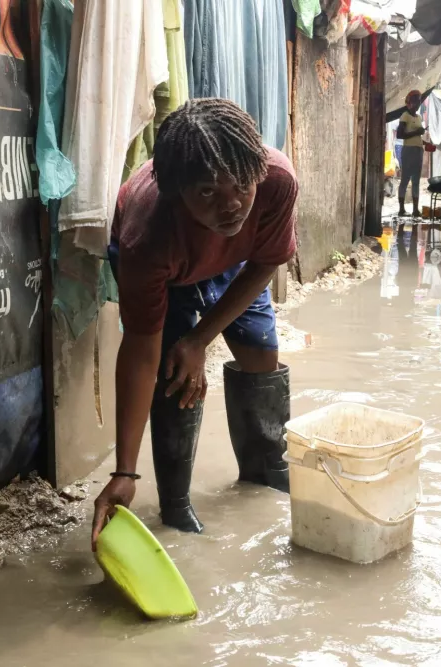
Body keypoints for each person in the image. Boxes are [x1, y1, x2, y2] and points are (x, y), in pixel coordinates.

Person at [90, 98, 299, 548]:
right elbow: (140, 352)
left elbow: (266, 263)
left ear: (256, 170)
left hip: (234, 261)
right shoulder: (148, 234)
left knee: (262, 354)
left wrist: (201, 338)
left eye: (242, 184)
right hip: (170, 268)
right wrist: (124, 471)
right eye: (208, 192)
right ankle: (175, 502)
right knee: (173, 376)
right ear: (178, 191)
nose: (232, 205)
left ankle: (266, 469)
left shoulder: (277, 181)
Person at [396, 90, 426, 218]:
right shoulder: (405, 116)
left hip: (418, 150)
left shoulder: (419, 117)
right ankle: (401, 209)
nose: (418, 104)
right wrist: (417, 132)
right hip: (408, 151)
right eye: (415, 101)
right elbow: (400, 135)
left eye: (419, 101)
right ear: (410, 102)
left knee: (416, 181)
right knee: (404, 180)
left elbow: (416, 137)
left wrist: (425, 143)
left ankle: (415, 210)